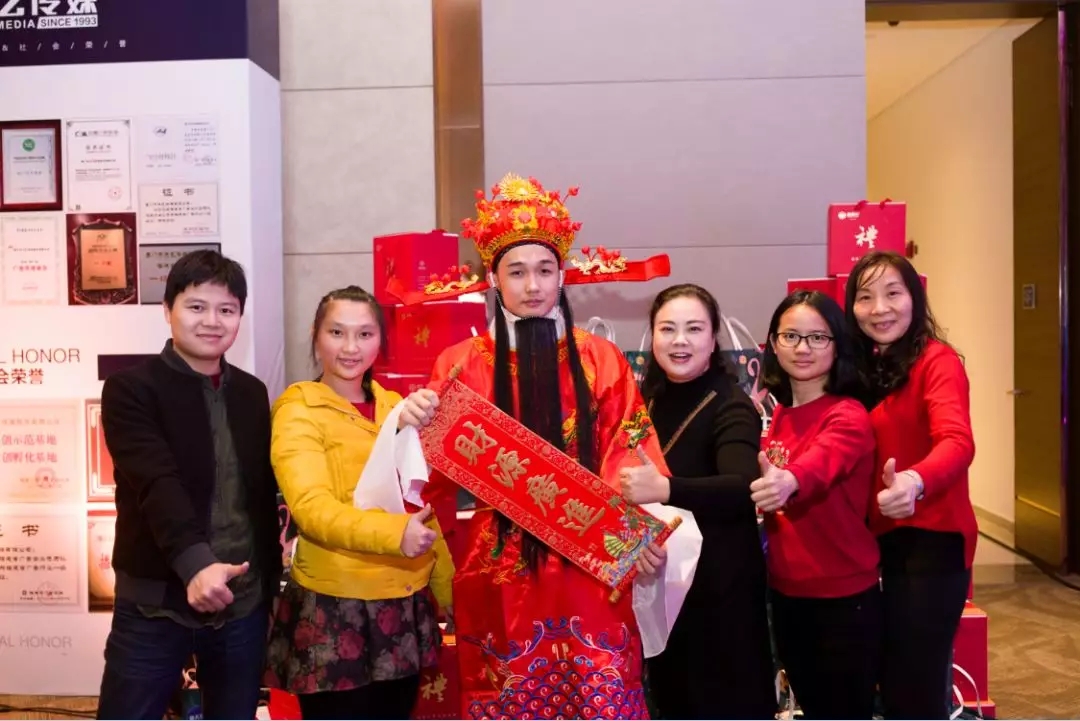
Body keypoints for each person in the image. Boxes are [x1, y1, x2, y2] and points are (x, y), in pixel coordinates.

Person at [398, 173, 669, 720]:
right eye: (516, 272)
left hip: (591, 560)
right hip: (499, 563)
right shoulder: (459, 364)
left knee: (599, 694)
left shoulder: (600, 360)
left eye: (545, 270)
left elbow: (629, 449)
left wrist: (634, 533)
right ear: (492, 279)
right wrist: (407, 427)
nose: (532, 286)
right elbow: (433, 476)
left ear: (562, 275)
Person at [95, 250, 282, 720]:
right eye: (197, 306)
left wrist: (270, 588)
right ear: (168, 310)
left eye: (227, 309)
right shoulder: (130, 390)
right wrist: (197, 565)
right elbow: (156, 483)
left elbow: (259, 496)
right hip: (155, 602)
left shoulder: (251, 392)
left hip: (241, 603)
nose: (212, 321)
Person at [263, 286, 454, 720]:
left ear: (380, 341)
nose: (351, 347)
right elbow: (312, 509)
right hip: (335, 604)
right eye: (337, 332)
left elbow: (420, 504)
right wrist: (395, 534)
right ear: (316, 336)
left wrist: (449, 591)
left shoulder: (395, 407)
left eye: (365, 334)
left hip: (403, 602)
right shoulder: (299, 409)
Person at [619, 283, 777, 719]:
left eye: (693, 329)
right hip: (663, 584)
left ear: (712, 338)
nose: (680, 341)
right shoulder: (646, 401)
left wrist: (666, 488)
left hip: (720, 590)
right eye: (667, 329)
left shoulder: (731, 405)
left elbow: (741, 486)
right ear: (652, 336)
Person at [846, 251, 976, 720]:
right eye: (865, 297)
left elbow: (957, 441)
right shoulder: (864, 369)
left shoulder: (936, 362)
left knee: (914, 687)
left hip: (933, 541)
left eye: (892, 294)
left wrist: (916, 481)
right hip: (879, 542)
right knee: (892, 678)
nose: (879, 309)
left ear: (915, 299)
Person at [753, 290, 882, 720]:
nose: (802, 348)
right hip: (788, 594)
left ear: (837, 345)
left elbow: (823, 461)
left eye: (817, 338)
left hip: (843, 598)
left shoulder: (848, 415)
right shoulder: (779, 417)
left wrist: (789, 480)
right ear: (773, 344)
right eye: (790, 336)